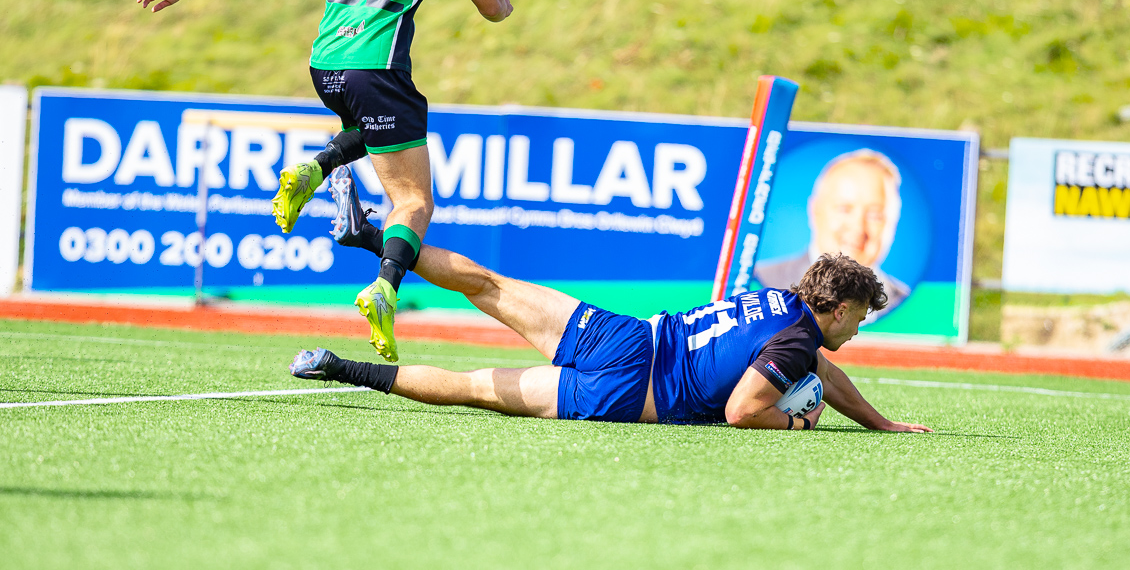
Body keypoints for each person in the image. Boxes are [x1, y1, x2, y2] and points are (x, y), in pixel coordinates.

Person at [136, 0, 512, 363]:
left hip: (325, 67)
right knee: (413, 201)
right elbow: (491, 8)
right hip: (377, 70)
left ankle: (315, 169)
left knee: (384, 127)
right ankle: (385, 288)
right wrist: (505, 5)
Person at [290, 172, 932, 432]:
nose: (858, 329)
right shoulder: (797, 341)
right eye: (859, 317)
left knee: (486, 284)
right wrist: (797, 424)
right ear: (839, 309)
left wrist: (880, 423)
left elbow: (823, 373)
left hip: (623, 336)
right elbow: (742, 412)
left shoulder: (779, 301)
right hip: (628, 393)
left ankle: (369, 235)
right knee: (474, 388)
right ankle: (338, 367)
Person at [755, 149, 910, 317]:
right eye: (844, 209)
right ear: (815, 210)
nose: (858, 227)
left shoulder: (909, 304)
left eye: (875, 215)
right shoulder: (757, 283)